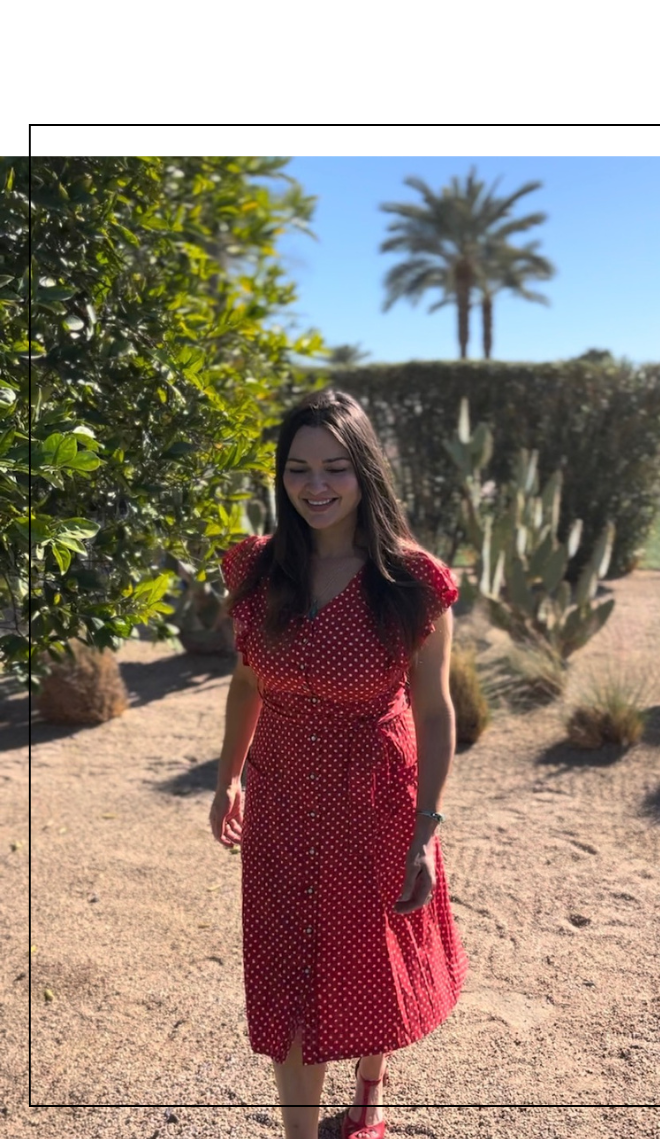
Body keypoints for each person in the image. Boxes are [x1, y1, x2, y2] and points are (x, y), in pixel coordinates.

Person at [209, 388, 468, 1139]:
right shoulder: (257, 569)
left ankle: (370, 1094)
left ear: (366, 472)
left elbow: (436, 709)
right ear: (281, 477)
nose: (315, 486)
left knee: (368, 955)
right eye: (298, 469)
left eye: (335, 468)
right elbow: (248, 679)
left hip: (379, 797)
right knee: (291, 968)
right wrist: (229, 774)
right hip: (283, 797)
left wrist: (426, 827)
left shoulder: (412, 581)